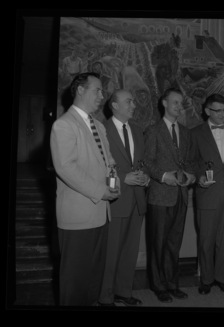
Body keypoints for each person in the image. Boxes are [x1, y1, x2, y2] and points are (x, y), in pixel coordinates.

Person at [50, 72, 120, 306]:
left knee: (93, 280)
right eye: (97, 90)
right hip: (78, 216)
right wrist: (101, 191)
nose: (102, 96)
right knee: (74, 282)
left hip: (101, 214)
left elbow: (108, 161)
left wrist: (114, 182)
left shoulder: (98, 126)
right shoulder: (64, 125)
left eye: (102, 91)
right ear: (80, 90)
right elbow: (65, 167)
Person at [144, 87, 196, 303]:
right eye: (175, 102)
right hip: (160, 196)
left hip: (181, 196)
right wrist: (164, 176)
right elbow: (146, 162)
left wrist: (192, 175)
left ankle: (172, 284)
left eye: (181, 103)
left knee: (174, 243)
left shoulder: (185, 132)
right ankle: (158, 286)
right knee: (158, 243)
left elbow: (190, 161)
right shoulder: (153, 131)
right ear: (164, 103)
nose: (179, 106)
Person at [98, 89, 150, 306]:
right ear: (114, 105)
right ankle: (105, 296)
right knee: (110, 253)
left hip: (137, 200)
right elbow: (97, 166)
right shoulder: (102, 130)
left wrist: (145, 176)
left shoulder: (138, 130)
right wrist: (122, 177)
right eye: (129, 101)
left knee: (130, 251)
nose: (134, 105)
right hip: (115, 199)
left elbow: (141, 162)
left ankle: (123, 291)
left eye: (134, 101)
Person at [191, 93, 224, 295]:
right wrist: (198, 177)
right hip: (208, 193)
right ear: (207, 111)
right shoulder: (195, 133)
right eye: (217, 110)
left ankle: (222, 278)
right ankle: (206, 279)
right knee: (206, 240)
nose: (222, 114)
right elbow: (191, 161)